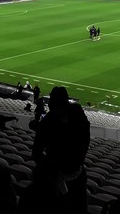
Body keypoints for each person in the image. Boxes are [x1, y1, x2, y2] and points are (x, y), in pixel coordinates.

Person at [30, 86, 90, 214]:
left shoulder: (76, 111)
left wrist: (81, 156)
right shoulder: (46, 123)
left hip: (78, 175)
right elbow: (36, 153)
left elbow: (86, 133)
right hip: (59, 181)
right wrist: (53, 169)